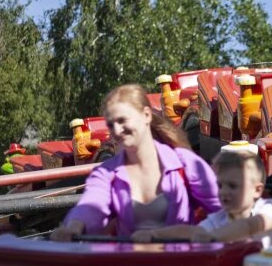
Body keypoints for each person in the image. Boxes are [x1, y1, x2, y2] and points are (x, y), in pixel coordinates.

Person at [51, 84, 221, 241]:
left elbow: (223, 208)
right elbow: (92, 204)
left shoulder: (185, 163)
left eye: (122, 121)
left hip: (182, 265)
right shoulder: (106, 173)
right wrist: (74, 227)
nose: (117, 130)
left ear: (146, 115)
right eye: (111, 125)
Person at [132, 151, 272, 249]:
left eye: (233, 186)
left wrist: (215, 237)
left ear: (257, 190)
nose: (224, 192)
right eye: (220, 185)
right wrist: (153, 234)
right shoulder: (218, 220)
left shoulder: (269, 208)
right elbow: (188, 231)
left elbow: (250, 225)